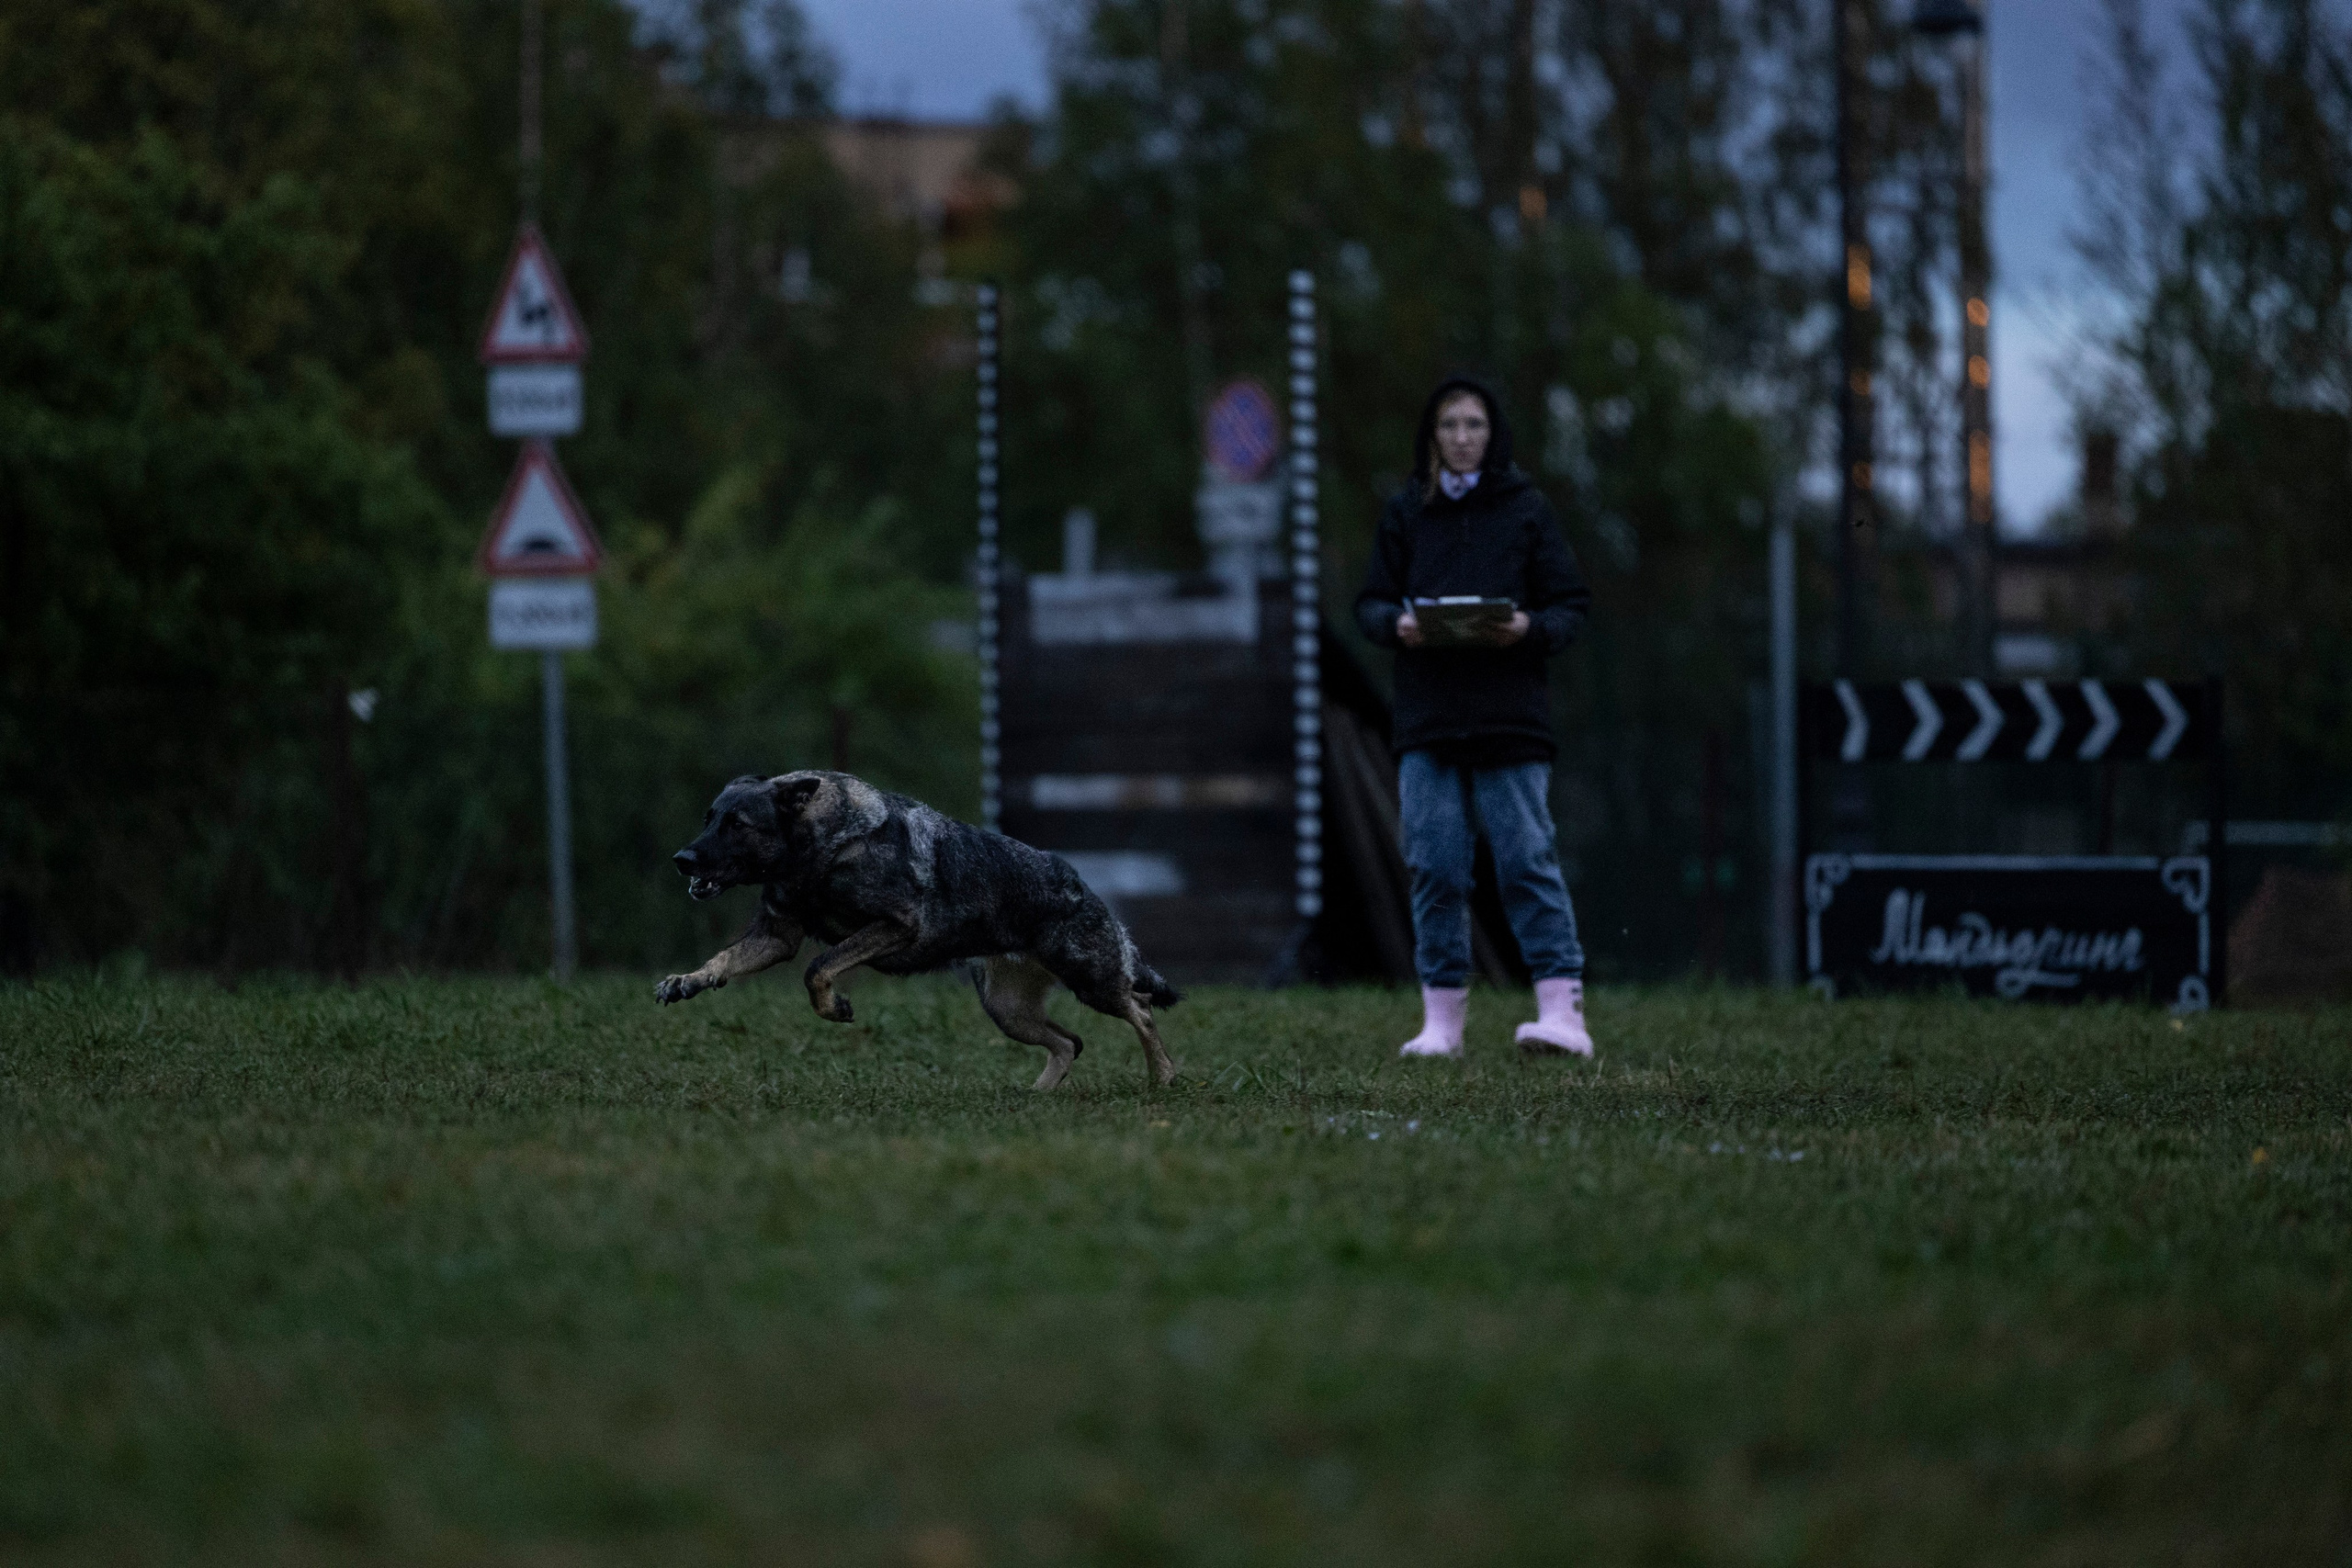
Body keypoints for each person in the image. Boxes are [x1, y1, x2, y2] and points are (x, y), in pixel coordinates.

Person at [1354, 377, 1596, 1057]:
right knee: (1434, 865)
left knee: (1526, 859)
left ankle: (1563, 1014)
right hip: (1429, 721)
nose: (1462, 437)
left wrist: (1527, 626)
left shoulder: (1527, 512)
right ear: (1432, 434)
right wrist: (1397, 623)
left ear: (1494, 434)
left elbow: (1570, 607)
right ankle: (1443, 1025)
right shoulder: (1406, 512)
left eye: (1475, 424)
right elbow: (1368, 603)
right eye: (1450, 425)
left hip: (1509, 720)